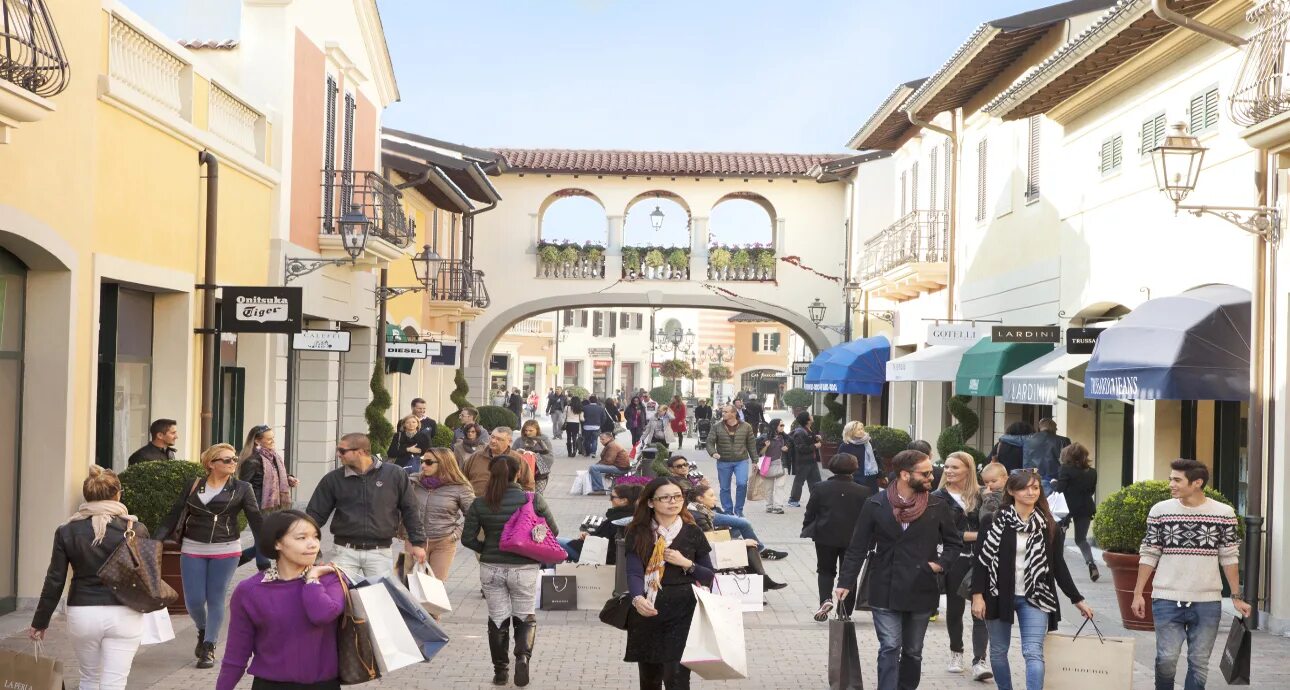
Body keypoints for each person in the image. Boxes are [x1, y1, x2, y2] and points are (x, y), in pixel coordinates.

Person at [836, 450, 963, 690]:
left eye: (931, 472)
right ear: (905, 475)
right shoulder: (875, 503)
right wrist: (845, 582)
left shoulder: (937, 505)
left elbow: (953, 543)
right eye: (925, 473)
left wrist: (938, 565)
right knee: (890, 646)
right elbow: (857, 547)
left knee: (913, 651)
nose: (932, 477)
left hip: (921, 587)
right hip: (885, 584)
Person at [1131, 458, 1249, 690]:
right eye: (1170, 479)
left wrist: (1236, 596)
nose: (1171, 484)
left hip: (1207, 602)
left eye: (1177, 480)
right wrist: (1138, 593)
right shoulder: (1160, 511)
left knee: (1199, 663)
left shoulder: (1223, 513)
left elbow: (1229, 557)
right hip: (1166, 598)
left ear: (1197, 482)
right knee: (1166, 660)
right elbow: (1149, 553)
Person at [972, 470, 1095, 690]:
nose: (1031, 492)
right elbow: (981, 561)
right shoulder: (993, 521)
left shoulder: (1049, 525)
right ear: (1011, 491)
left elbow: (1058, 566)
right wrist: (977, 596)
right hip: (998, 594)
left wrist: (1077, 599)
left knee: (1033, 652)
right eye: (1024, 487)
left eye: (1035, 488)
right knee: (999, 651)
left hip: (1036, 595)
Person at [30, 466, 148, 690]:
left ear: (87, 496)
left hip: (83, 612)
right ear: (117, 494)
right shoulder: (136, 529)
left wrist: (40, 621)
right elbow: (145, 574)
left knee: (89, 679)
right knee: (114, 683)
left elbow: (55, 579)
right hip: (125, 612)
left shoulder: (67, 531)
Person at [157, 443, 265, 669]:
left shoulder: (242, 488)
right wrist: (156, 540)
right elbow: (174, 513)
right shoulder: (194, 485)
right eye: (226, 460)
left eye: (234, 459)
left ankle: (209, 646)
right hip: (193, 547)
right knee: (193, 601)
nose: (232, 463)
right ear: (211, 464)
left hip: (226, 549)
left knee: (216, 598)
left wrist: (265, 548)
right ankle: (204, 628)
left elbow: (255, 519)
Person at [216, 511, 344, 690]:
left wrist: (312, 578)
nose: (312, 544)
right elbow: (236, 655)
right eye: (301, 537)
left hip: (324, 685)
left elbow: (322, 614)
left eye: (316, 537)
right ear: (277, 543)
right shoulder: (249, 591)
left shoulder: (331, 580)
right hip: (270, 685)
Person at [463, 454, 557, 687]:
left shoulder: (481, 502)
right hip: (524, 567)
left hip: (491, 567)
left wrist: (486, 549)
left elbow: (467, 538)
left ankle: (500, 672)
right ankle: (523, 657)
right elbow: (552, 530)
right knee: (525, 615)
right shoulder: (533, 499)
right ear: (518, 474)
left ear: (491, 474)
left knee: (497, 618)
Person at [623, 477, 716, 689]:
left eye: (677, 497)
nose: (673, 502)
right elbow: (634, 572)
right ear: (650, 502)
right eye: (665, 498)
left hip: (684, 611)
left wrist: (686, 564)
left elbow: (709, 575)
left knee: (677, 678)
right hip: (648, 610)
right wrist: (637, 599)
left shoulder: (693, 531)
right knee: (649, 679)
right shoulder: (638, 532)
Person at [306, 433, 427, 582]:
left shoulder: (395, 474)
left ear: (361, 452)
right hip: (344, 551)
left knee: (382, 598)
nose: (338, 454)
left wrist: (418, 543)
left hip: (380, 552)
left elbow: (411, 510)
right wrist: (311, 551)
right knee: (341, 599)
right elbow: (313, 517)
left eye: (342, 451)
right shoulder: (333, 479)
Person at [932, 451, 990, 681]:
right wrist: (975, 535)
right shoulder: (938, 497)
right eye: (947, 467)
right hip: (954, 560)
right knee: (955, 610)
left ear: (968, 470)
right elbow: (941, 533)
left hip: (981, 560)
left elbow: (993, 526)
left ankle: (980, 660)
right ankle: (956, 652)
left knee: (980, 610)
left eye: (955, 467)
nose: (949, 471)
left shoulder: (982, 496)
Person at [803, 453, 872, 621]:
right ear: (855, 468)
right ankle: (845, 610)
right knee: (848, 572)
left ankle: (825, 599)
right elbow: (867, 517)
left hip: (825, 535)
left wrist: (809, 526)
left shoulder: (820, 487)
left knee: (825, 570)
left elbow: (811, 510)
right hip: (853, 538)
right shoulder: (863, 491)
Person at [688, 484, 787, 590]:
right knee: (749, 547)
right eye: (711, 496)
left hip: (708, 549)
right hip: (708, 554)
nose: (715, 498)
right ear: (700, 498)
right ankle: (762, 583)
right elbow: (710, 541)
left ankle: (761, 584)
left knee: (749, 543)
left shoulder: (700, 511)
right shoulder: (698, 516)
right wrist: (741, 543)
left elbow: (710, 537)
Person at [402, 448, 474, 582]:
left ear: (444, 463)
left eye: (429, 462)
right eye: (423, 461)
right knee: (410, 585)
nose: (423, 465)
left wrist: (456, 534)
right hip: (414, 541)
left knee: (435, 587)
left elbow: (474, 515)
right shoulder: (413, 482)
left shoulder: (460, 487)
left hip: (443, 542)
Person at [237, 425, 298, 570]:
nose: (272, 441)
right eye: (269, 439)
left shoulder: (272, 456)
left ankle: (230, 564)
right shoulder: (252, 460)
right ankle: (264, 573)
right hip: (257, 507)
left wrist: (289, 479)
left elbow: (277, 476)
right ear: (257, 441)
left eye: (273, 438)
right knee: (264, 540)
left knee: (261, 542)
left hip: (273, 507)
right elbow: (243, 485)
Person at [560, 483, 643, 562]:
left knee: (552, 544)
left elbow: (605, 542)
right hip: (591, 549)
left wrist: (590, 537)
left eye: (612, 497)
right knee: (552, 544)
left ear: (624, 501)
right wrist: (589, 535)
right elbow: (603, 537)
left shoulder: (618, 520)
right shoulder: (623, 514)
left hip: (590, 554)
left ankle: (549, 573)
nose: (610, 500)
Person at [1054, 442, 1099, 582]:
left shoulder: (1065, 469)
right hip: (1085, 507)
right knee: (1081, 539)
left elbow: (1060, 488)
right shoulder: (1092, 472)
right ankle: (1091, 563)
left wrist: (1053, 483)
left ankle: (1058, 569)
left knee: (1059, 539)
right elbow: (1091, 491)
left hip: (1066, 509)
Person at [707, 403, 758, 517]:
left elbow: (751, 444)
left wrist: (755, 460)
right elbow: (709, 442)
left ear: (734, 413)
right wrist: (713, 452)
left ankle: (739, 510)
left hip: (741, 460)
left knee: (742, 484)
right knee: (724, 487)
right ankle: (728, 511)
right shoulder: (717, 426)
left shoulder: (746, 426)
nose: (723, 413)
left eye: (726, 412)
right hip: (723, 461)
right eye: (723, 412)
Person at [465, 426, 533, 496]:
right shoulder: (476, 457)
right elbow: (462, 479)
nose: (493, 441)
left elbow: (528, 485)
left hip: (505, 504)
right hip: (476, 503)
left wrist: (516, 502)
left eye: (499, 439)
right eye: (492, 437)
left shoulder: (517, 459)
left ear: (509, 442)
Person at [1022, 418, 1070, 496]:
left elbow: (1026, 462)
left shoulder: (1028, 440)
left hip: (1034, 478)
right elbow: (1068, 462)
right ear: (1053, 427)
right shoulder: (1064, 441)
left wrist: (1027, 479)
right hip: (1056, 480)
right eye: (1056, 427)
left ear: (1040, 427)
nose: (1057, 429)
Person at [787, 412, 823, 508]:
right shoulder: (800, 432)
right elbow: (801, 448)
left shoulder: (808, 429)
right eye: (810, 415)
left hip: (812, 460)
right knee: (799, 481)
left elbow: (808, 440)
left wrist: (816, 438)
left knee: (816, 482)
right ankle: (793, 500)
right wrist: (815, 445)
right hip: (803, 461)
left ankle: (816, 500)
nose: (812, 416)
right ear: (807, 420)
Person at [513, 419, 556, 494]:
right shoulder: (519, 440)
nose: (527, 433)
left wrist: (534, 456)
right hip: (522, 474)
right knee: (524, 496)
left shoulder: (544, 440)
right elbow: (512, 454)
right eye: (526, 430)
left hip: (539, 474)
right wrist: (519, 454)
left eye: (531, 430)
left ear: (537, 430)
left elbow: (550, 457)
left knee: (537, 496)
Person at [838, 421, 881, 493]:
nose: (862, 431)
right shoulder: (845, 446)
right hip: (854, 481)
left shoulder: (868, 443)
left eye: (862, 429)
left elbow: (877, 458)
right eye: (858, 429)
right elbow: (839, 464)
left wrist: (881, 474)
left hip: (871, 479)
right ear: (851, 431)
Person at [758, 418, 790, 513]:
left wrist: (787, 448)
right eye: (781, 425)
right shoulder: (764, 437)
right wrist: (766, 446)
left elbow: (791, 446)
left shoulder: (785, 437)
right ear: (774, 426)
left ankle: (778, 507)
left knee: (780, 486)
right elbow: (760, 453)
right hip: (768, 465)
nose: (783, 427)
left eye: (783, 425)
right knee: (769, 487)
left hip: (781, 464)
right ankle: (769, 505)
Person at [589, 430, 631, 495]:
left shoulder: (612, 446)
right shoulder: (611, 444)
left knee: (594, 468)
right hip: (619, 466)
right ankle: (598, 488)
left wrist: (598, 465)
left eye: (602, 439)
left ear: (609, 438)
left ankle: (598, 489)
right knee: (595, 467)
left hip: (620, 468)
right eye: (600, 439)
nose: (601, 441)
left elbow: (609, 461)